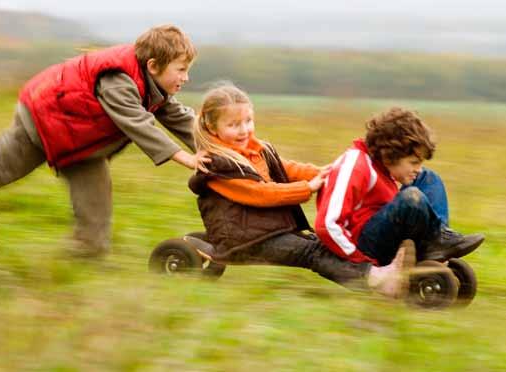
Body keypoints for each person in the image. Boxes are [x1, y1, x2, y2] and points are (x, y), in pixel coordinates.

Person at [0, 24, 206, 258]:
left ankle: (74, 263)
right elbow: (138, 123)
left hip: (81, 143)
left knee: (95, 224)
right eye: (181, 70)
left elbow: (180, 118)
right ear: (154, 66)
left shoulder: (154, 83)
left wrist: (220, 150)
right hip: (43, 121)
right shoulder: (118, 81)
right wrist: (186, 158)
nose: (185, 78)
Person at [185, 83, 416, 298]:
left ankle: (378, 265)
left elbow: (285, 168)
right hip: (246, 239)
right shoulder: (219, 166)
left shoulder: (257, 149)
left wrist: (322, 173)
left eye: (248, 121)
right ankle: (377, 280)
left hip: (265, 230)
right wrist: (307, 188)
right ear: (212, 127)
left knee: (320, 244)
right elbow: (260, 193)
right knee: (313, 252)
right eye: (233, 125)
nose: (244, 130)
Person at [314, 107, 484, 267]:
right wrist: (362, 264)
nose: (417, 168)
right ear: (390, 155)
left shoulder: (382, 166)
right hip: (363, 247)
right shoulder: (355, 166)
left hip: (381, 232)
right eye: (414, 162)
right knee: (411, 198)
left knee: (428, 178)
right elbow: (327, 225)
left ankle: (436, 247)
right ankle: (433, 246)